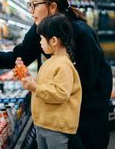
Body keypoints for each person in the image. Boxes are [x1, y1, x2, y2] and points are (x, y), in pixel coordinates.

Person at [0, 0, 112, 149]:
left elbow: (87, 79)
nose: (31, 11)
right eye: (30, 5)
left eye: (35, 5)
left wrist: (44, 88)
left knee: (87, 141)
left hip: (90, 101)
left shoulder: (81, 32)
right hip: (63, 99)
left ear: (52, 7)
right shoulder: (41, 29)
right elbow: (19, 55)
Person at [20, 14, 82, 149]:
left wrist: (36, 88)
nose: (40, 42)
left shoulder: (64, 65)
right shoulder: (50, 62)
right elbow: (44, 84)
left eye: (42, 38)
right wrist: (27, 77)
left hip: (56, 127)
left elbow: (61, 93)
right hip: (43, 122)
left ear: (53, 40)